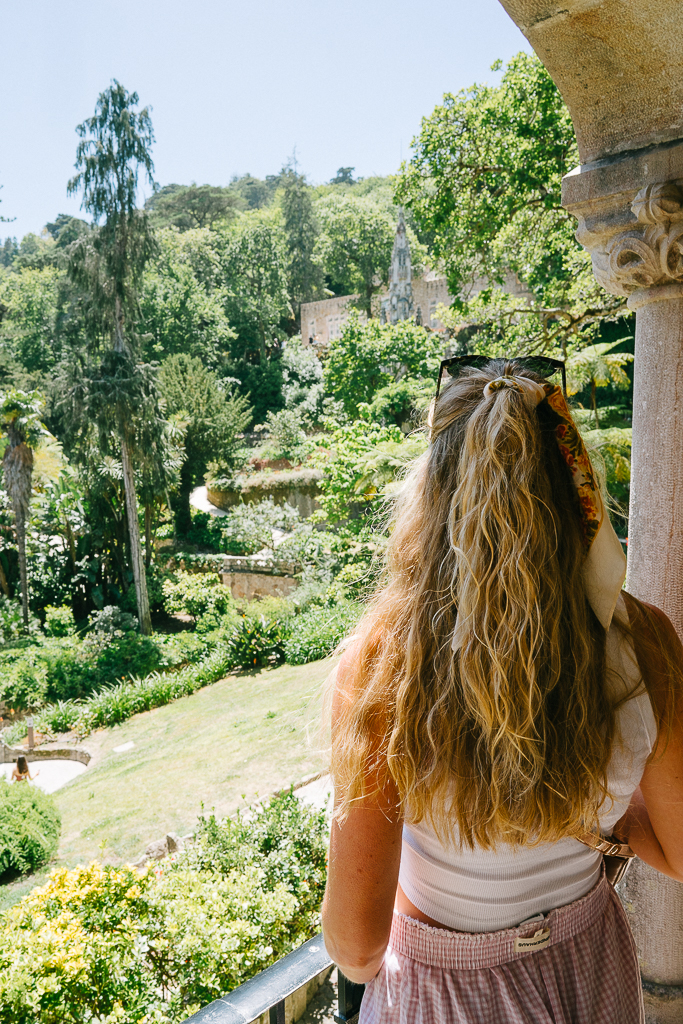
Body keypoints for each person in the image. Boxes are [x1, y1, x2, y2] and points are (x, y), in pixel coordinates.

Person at [322, 358, 683, 1024]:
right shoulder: (645, 642)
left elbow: (356, 945)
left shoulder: (382, 665)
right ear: (575, 489)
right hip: (588, 967)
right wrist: (597, 810)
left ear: (431, 499)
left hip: (442, 993)